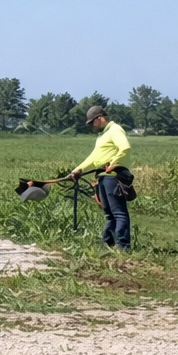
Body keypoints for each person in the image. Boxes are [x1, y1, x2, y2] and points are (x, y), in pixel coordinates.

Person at [70, 104, 133, 250]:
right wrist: (78, 169)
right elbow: (94, 157)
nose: (92, 126)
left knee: (119, 213)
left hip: (113, 176)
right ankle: (108, 245)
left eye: (93, 122)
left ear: (100, 118)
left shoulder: (115, 129)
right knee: (109, 214)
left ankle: (123, 247)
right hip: (103, 178)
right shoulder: (103, 135)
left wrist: (113, 164)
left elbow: (125, 148)